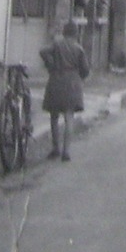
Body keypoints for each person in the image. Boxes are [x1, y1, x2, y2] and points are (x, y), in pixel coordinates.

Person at [41, 20, 89, 161]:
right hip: (73, 81)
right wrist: (80, 76)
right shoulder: (79, 49)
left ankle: (55, 148)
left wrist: (50, 64)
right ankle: (66, 151)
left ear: (64, 32)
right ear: (76, 33)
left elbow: (43, 51)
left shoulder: (57, 44)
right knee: (69, 117)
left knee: (54, 116)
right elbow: (85, 70)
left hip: (56, 79)